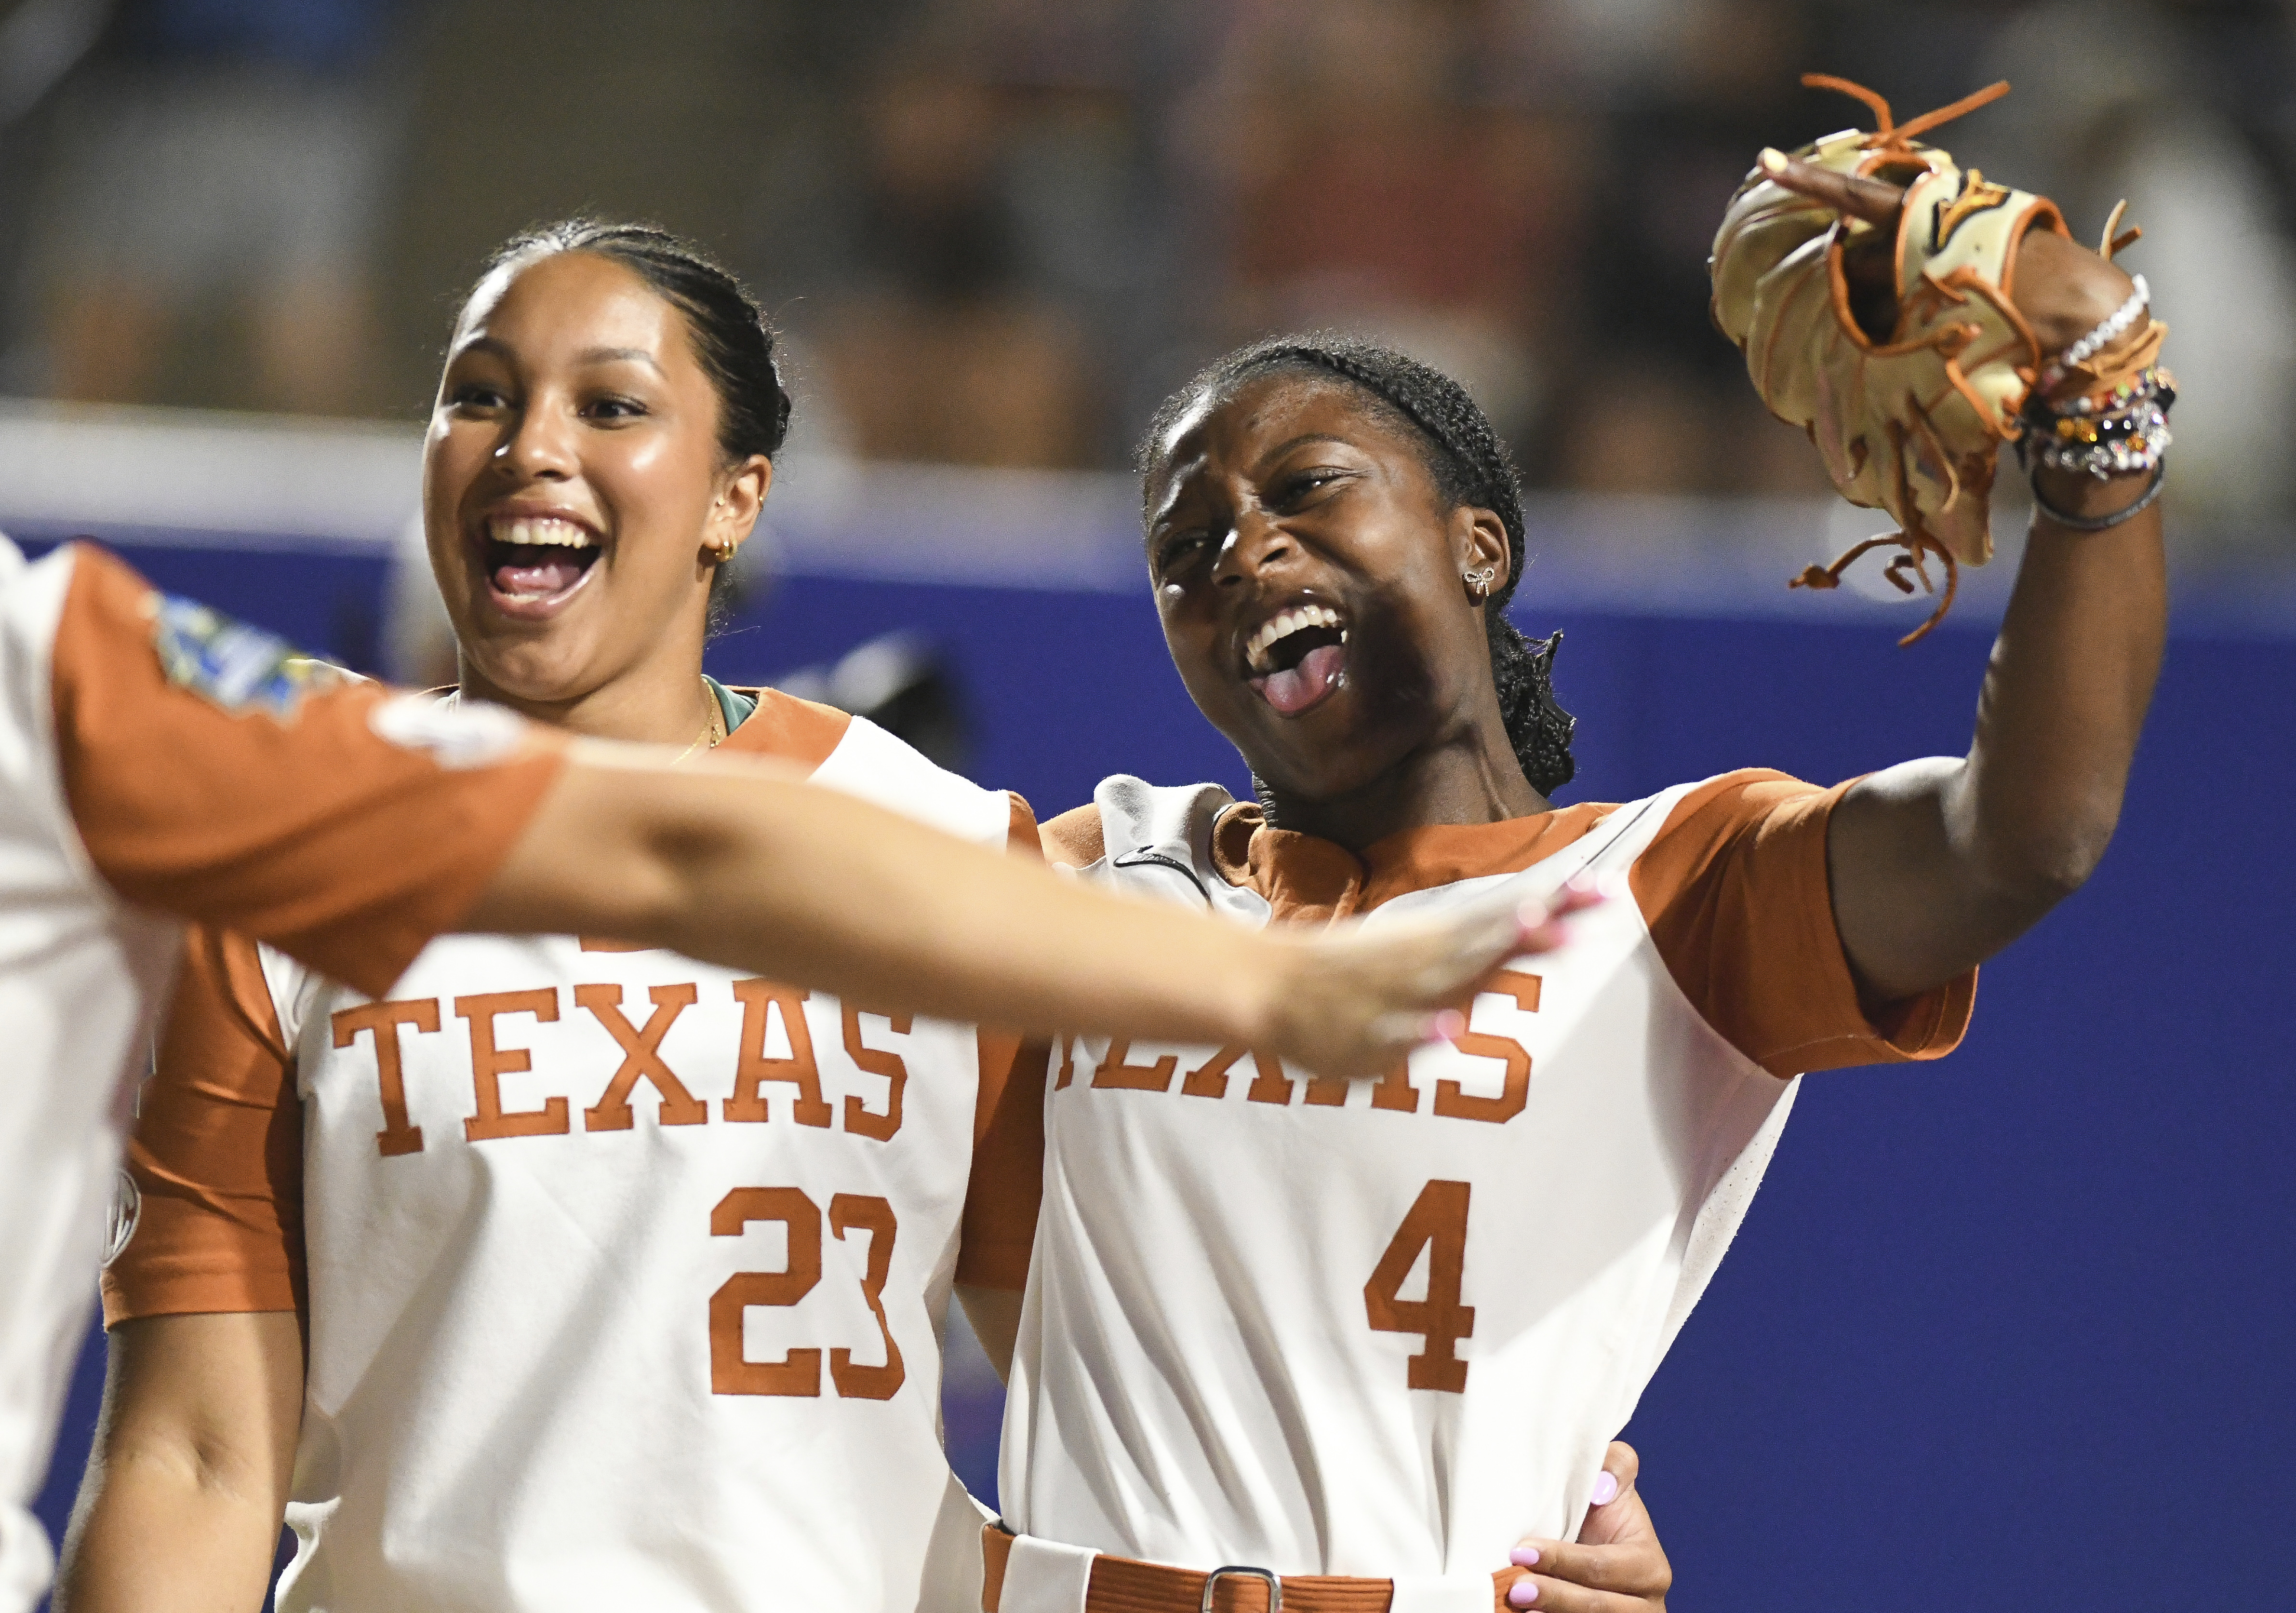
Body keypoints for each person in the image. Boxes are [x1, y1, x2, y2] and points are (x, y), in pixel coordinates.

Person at [46, 221, 1641, 1613]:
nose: (530, 443)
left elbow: (1165, 1397)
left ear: (737, 494)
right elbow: (193, 1454)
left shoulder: (947, 851)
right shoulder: (277, 887)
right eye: (477, 394)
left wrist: (1503, 1536)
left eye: (610, 404)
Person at [985, 162, 2163, 1609]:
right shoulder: (1087, 875)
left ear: (1477, 541)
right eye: (1183, 551)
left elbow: (2023, 837)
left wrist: (2099, 424)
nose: (1240, 550)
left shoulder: (1673, 886)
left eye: (1303, 488)